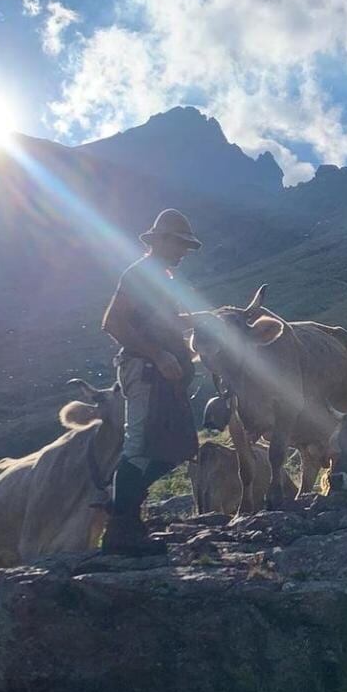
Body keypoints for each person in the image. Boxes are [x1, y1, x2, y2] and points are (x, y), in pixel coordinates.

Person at [99, 208, 202, 553]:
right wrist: (158, 355)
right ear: (160, 241)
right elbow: (113, 323)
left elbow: (158, 323)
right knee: (141, 446)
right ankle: (120, 532)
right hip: (144, 372)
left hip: (159, 376)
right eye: (179, 244)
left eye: (186, 245)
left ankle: (127, 515)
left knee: (173, 447)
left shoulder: (160, 278)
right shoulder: (140, 274)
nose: (184, 251)